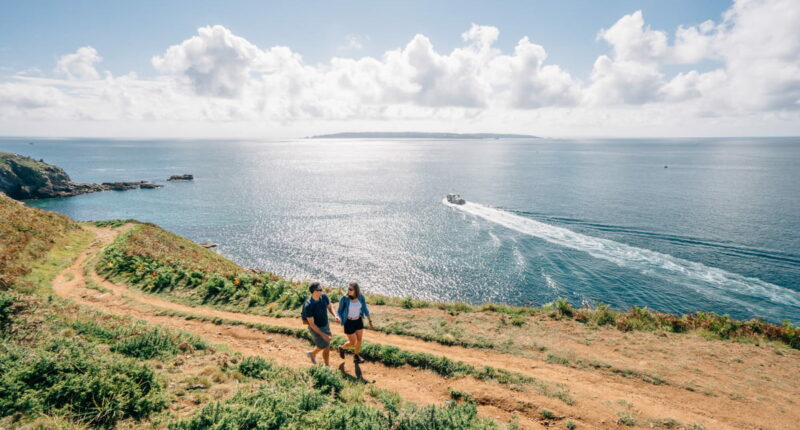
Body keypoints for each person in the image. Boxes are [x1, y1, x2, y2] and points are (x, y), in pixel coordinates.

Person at [302, 282, 340, 366]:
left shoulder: (324, 297)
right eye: (319, 290)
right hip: (316, 328)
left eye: (321, 289)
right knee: (326, 346)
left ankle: (312, 353)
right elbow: (311, 324)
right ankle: (327, 365)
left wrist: (335, 315)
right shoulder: (308, 305)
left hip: (325, 324)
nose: (321, 291)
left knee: (324, 345)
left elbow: (330, 307)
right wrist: (323, 335)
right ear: (314, 292)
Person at [336, 282, 373, 363]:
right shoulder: (344, 299)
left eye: (350, 289)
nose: (348, 290)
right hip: (349, 322)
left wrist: (370, 321)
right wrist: (338, 317)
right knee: (353, 343)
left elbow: (365, 309)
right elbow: (339, 311)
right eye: (348, 288)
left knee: (359, 340)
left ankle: (356, 355)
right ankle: (341, 348)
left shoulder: (361, 297)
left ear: (355, 290)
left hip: (359, 321)